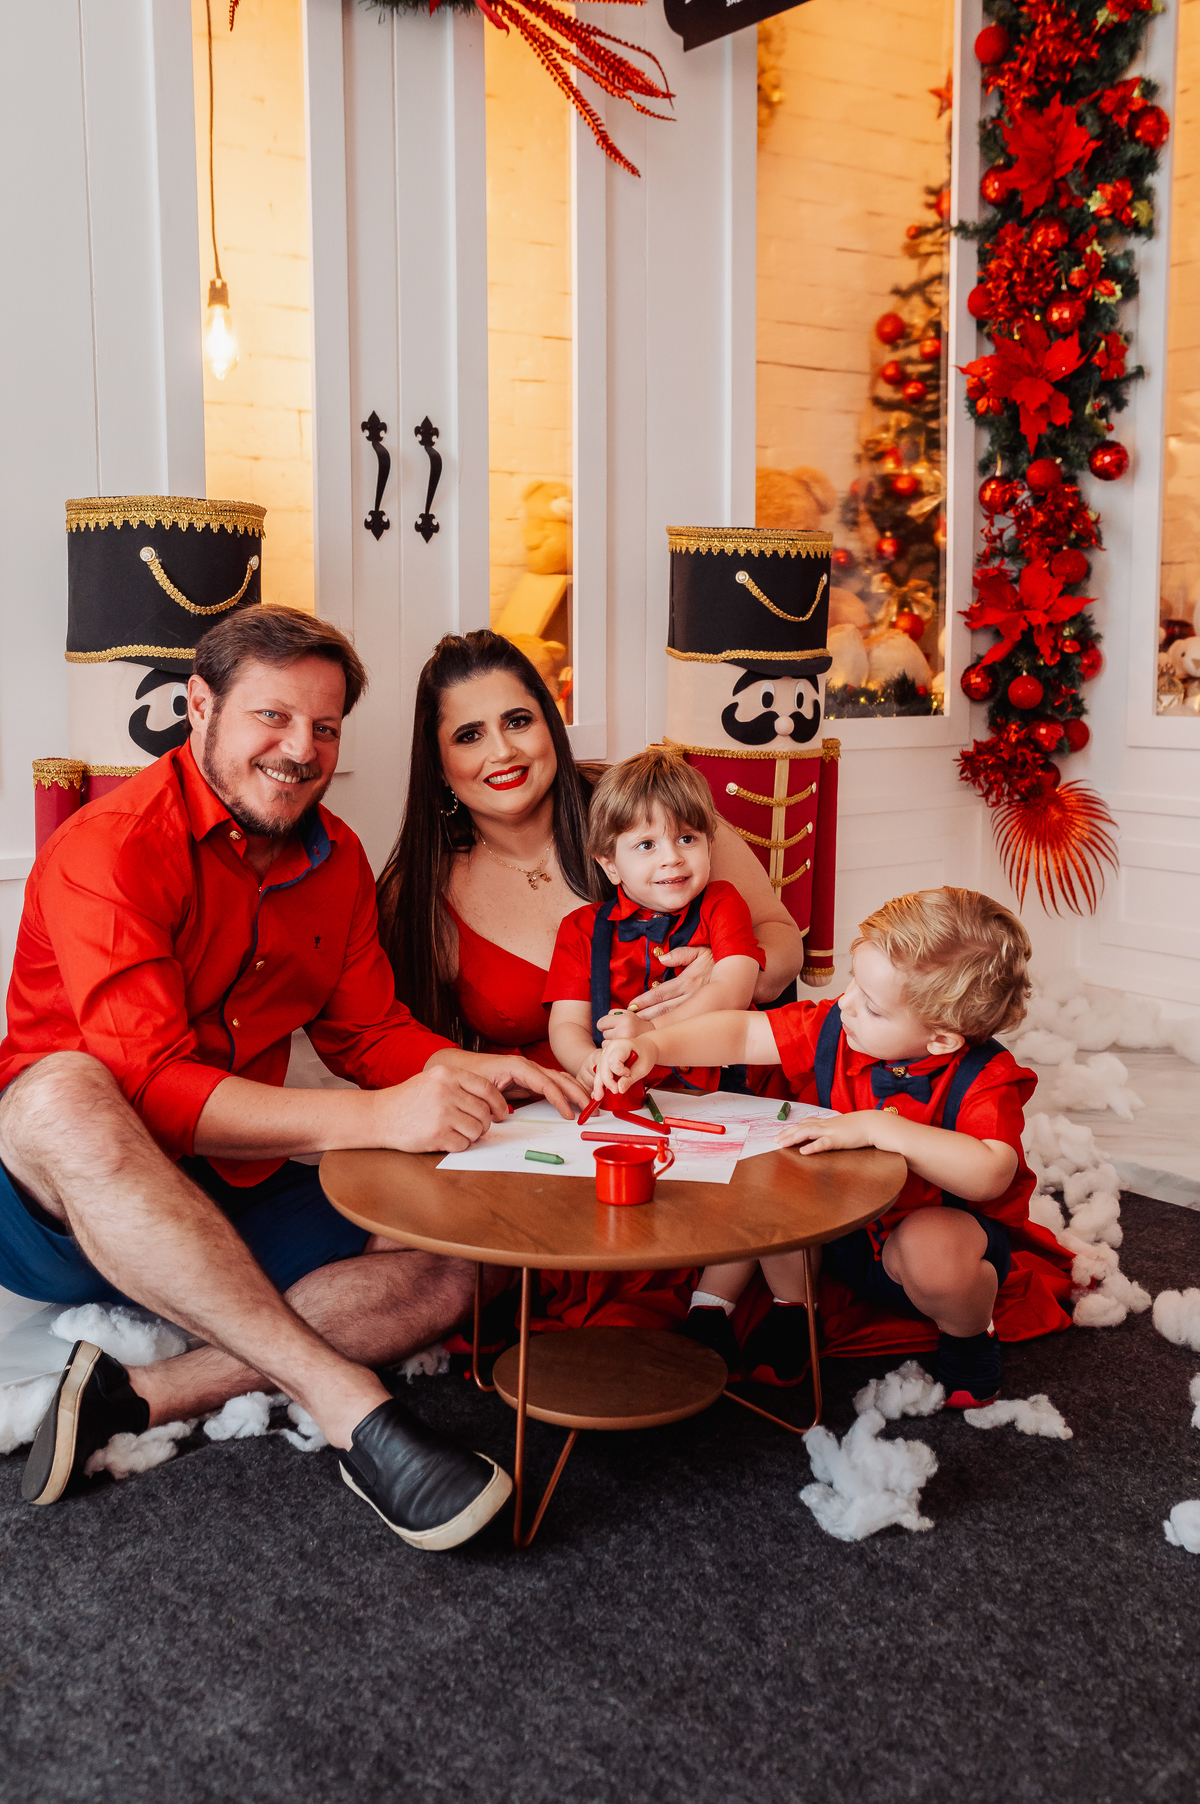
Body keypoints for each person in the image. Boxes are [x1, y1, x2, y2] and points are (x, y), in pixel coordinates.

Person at [0, 607, 585, 1550]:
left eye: (324, 726)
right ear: (200, 706)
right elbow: (152, 1089)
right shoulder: (109, 845)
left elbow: (368, 1032)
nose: (300, 749)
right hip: (57, 1211)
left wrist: (469, 1068)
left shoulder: (338, 856)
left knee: (459, 1257)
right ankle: (351, 1407)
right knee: (66, 1089)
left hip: (227, 1190)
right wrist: (382, 1118)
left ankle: (136, 1396)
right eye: (271, 716)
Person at [376, 630, 803, 1332]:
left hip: (701, 1114)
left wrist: (735, 969)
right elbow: (402, 1050)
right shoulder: (419, 891)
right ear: (439, 763)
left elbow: (784, 941)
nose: (502, 751)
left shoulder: (646, 811)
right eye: (470, 735)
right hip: (553, 1145)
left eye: (518, 720)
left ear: (550, 724)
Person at [593, 888, 1062, 1404]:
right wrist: (654, 1043)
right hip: (835, 1234)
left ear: (942, 1039)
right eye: (853, 982)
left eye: (873, 1007)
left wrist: (878, 1127)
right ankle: (795, 1307)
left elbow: (990, 1173)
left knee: (933, 1248)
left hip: (926, 1245)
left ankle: (969, 1332)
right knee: (773, 1165)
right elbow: (744, 1034)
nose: (846, 1004)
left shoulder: (983, 1077)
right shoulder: (836, 1028)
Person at [544, 747, 763, 1098]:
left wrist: (650, 1031)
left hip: (720, 1095)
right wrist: (587, 1061)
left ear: (709, 847)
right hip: (626, 1096)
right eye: (646, 845)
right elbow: (567, 1023)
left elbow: (732, 991)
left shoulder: (723, 903)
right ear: (610, 865)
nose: (672, 858)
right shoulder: (580, 929)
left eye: (686, 839)